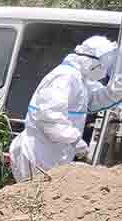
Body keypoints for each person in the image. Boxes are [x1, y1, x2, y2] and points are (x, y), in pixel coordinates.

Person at [10, 36, 122, 182]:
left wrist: (117, 89)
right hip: (39, 154)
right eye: (103, 66)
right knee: (36, 191)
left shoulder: (80, 79)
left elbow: (94, 99)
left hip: (53, 153)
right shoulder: (64, 78)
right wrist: (75, 139)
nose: (103, 71)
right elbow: (49, 116)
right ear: (92, 62)